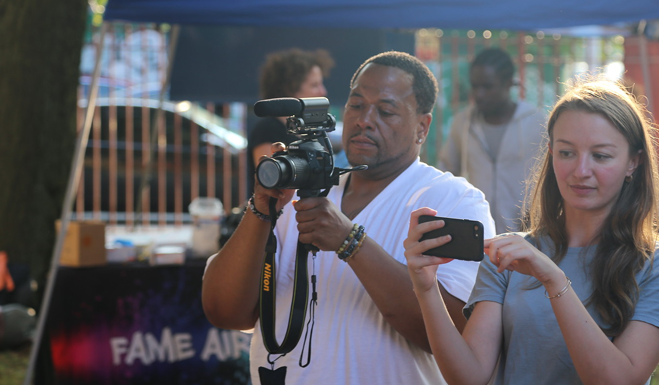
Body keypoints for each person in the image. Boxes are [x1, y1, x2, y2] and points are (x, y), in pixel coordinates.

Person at [203, 51, 495, 384]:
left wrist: (351, 242)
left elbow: (458, 334)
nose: (365, 119)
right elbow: (224, 311)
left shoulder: (451, 199)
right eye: (356, 105)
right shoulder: (299, 190)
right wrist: (260, 208)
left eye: (385, 110)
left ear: (422, 128)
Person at [405, 76, 659, 385]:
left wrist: (554, 280)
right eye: (567, 152)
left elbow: (619, 380)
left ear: (633, 162)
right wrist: (426, 288)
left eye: (601, 156)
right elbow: (468, 377)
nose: (581, 171)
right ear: (552, 153)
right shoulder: (510, 255)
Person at [437, 48, 546, 233]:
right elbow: (446, 172)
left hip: (527, 236)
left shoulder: (536, 123)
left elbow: (549, 177)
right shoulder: (463, 123)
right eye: (475, 86)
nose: (479, 94)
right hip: (477, 237)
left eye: (487, 87)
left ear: (508, 84)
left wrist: (537, 215)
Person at [246, 48, 334, 197]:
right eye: (314, 85)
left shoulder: (316, 132)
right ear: (291, 89)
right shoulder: (267, 129)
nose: (323, 91)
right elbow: (270, 180)